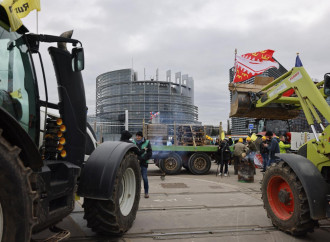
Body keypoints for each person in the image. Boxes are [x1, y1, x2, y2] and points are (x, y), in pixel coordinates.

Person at [133, 131, 152, 198]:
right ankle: (136, 193)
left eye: (139, 136)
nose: (137, 137)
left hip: (143, 163)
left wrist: (141, 159)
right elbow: (133, 152)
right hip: (135, 163)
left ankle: (146, 192)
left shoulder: (147, 142)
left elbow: (149, 153)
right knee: (136, 179)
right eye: (137, 136)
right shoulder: (133, 142)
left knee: (144, 178)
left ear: (141, 136)